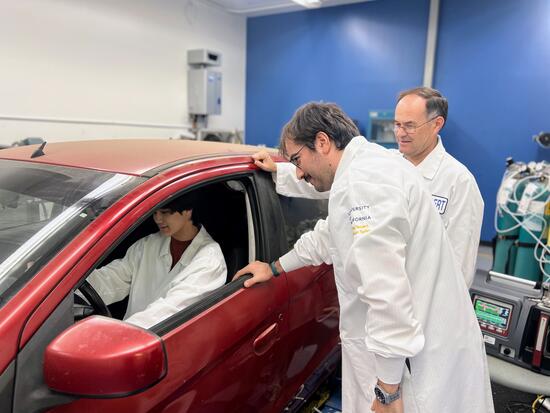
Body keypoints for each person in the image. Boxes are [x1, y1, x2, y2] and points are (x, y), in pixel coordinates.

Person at [236, 102, 493, 413]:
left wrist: (387, 390)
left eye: (297, 160)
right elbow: (327, 237)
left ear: (322, 142)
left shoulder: (364, 185)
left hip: (413, 363)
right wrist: (275, 267)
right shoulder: (368, 167)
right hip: (414, 350)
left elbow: (386, 294)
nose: (299, 172)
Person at [253, 87, 483, 287]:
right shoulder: (385, 163)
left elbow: (459, 270)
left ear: (437, 125)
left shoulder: (459, 182)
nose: (400, 133)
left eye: (409, 126)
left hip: (428, 317)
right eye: (397, 124)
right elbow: (329, 181)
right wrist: (278, 171)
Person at [86, 194, 227, 329]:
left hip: (167, 345)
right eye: (155, 212)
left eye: (165, 212)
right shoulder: (147, 245)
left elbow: (172, 311)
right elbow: (112, 279)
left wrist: (118, 335)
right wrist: (72, 289)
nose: (158, 219)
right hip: (130, 338)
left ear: (188, 211)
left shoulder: (209, 260)